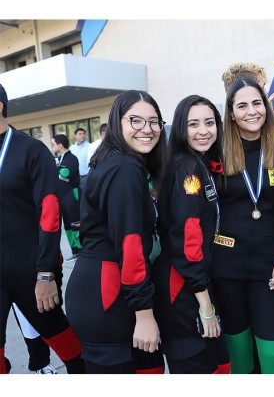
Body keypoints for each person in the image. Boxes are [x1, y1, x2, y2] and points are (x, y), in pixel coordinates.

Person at [65, 90, 166, 374]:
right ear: (116, 123)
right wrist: (144, 314)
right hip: (108, 294)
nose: (147, 129)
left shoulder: (118, 161)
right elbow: (131, 244)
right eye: (135, 120)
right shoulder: (124, 168)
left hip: (104, 288)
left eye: (154, 121)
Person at [0, 83, 85, 374]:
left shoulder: (30, 150)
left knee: (64, 342)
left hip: (30, 268)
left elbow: (49, 213)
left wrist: (46, 272)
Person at [210, 78, 274, 374]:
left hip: (269, 268)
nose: (252, 111)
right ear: (231, 113)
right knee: (238, 351)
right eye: (242, 106)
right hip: (227, 266)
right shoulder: (216, 151)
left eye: (257, 103)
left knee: (272, 351)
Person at [151, 95, 230, 374]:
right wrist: (206, 306)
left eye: (209, 123)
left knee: (219, 365)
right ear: (180, 128)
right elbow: (188, 240)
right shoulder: (188, 169)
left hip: (195, 282)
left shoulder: (200, 163)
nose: (203, 131)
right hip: (182, 287)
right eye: (193, 124)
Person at [51, 134, 82, 262]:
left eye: (53, 144)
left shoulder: (71, 158)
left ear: (60, 145)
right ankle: (75, 250)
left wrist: (55, 168)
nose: (51, 147)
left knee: (75, 223)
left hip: (71, 196)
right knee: (68, 225)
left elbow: (65, 174)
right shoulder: (61, 158)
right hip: (63, 197)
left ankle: (81, 250)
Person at [69, 127, 90, 192]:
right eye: (80, 134)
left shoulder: (90, 146)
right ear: (75, 136)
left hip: (87, 177)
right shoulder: (72, 148)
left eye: (83, 134)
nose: (82, 135)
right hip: (75, 178)